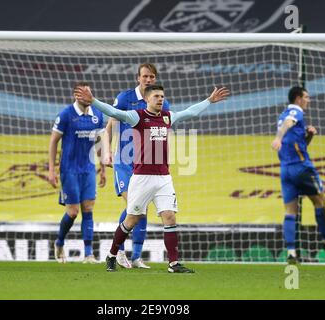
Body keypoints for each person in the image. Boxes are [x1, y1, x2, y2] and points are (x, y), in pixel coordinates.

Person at [75, 84, 230, 273]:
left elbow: (190, 112)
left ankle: (173, 264)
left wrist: (208, 101)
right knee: (132, 219)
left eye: (162, 96)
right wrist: (94, 101)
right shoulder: (136, 116)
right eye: (156, 96)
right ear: (147, 99)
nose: (160, 99)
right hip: (142, 178)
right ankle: (112, 255)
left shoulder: (167, 117)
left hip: (164, 177)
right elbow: (114, 112)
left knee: (170, 217)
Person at [104, 63, 170, 269]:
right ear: (138, 78)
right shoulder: (125, 98)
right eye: (145, 76)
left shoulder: (160, 101)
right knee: (133, 206)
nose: (148, 80)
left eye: (152, 77)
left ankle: (137, 257)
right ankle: (120, 251)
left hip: (147, 163)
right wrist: (106, 151)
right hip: (124, 161)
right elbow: (108, 127)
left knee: (142, 210)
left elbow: (164, 130)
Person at [271, 86, 325, 264]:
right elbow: (289, 123)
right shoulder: (295, 113)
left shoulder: (282, 115)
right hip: (301, 168)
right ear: (298, 98)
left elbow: (297, 144)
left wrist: (309, 136)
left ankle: (291, 252)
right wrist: (278, 138)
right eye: (306, 97)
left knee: (290, 211)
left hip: (285, 170)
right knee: (319, 200)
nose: (309, 100)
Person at [48, 82, 106, 264]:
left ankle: (88, 254)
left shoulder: (97, 114)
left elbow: (98, 141)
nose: (89, 96)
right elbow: (53, 141)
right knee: (73, 212)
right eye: (85, 93)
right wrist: (51, 169)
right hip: (69, 170)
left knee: (88, 209)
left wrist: (102, 167)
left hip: (88, 169)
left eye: (90, 92)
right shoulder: (66, 114)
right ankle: (59, 242)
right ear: (76, 95)